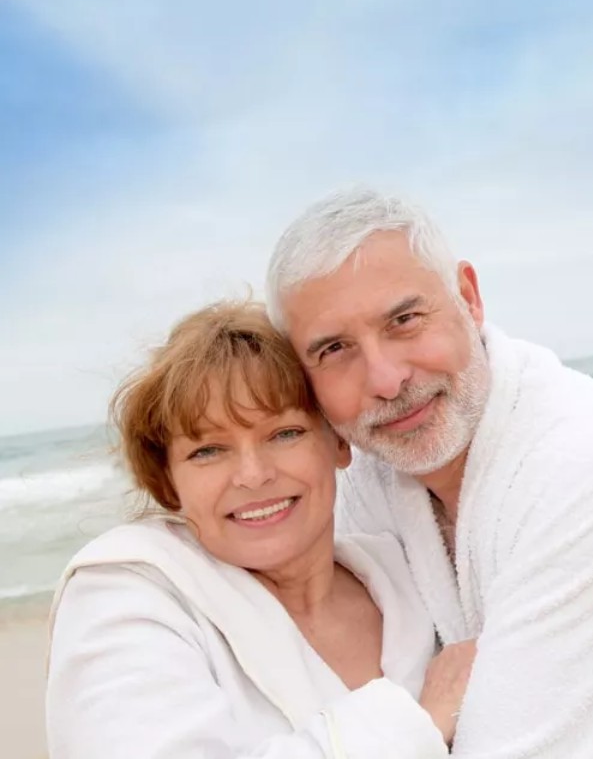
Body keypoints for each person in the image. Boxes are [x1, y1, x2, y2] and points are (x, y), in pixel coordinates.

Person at [266, 188, 593, 757]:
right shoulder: (372, 477)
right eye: (334, 350)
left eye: (404, 320)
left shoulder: (589, 461)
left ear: (468, 298)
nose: (386, 379)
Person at [45, 302, 473, 758]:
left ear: (338, 441)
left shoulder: (410, 576)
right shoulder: (126, 593)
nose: (252, 475)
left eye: (285, 433)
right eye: (208, 450)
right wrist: (418, 723)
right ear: (167, 481)